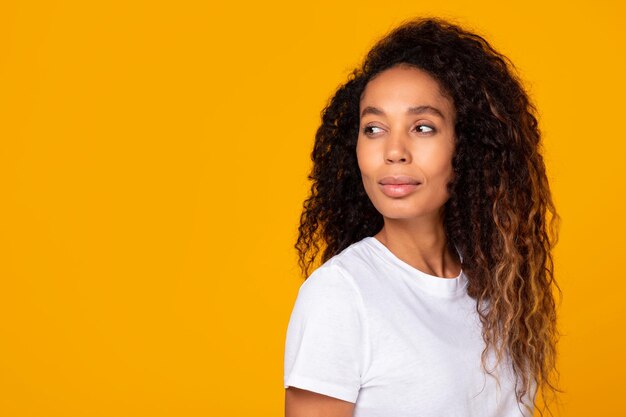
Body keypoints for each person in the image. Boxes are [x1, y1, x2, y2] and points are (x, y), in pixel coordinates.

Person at [284, 17, 560, 417]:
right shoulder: (342, 295)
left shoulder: (497, 285)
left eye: (423, 127)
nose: (394, 151)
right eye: (374, 128)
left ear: (466, 147)